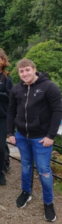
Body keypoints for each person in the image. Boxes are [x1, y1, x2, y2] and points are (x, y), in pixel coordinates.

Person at [6, 58, 62, 222]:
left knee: (44, 171)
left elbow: (57, 112)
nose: (25, 74)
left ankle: (48, 203)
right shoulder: (16, 89)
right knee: (25, 165)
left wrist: (50, 136)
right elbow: (11, 112)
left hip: (41, 138)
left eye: (27, 70)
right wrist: (10, 132)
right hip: (22, 136)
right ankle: (26, 192)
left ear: (34, 69)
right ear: (18, 73)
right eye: (21, 71)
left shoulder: (49, 87)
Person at [0, 49, 13, 185]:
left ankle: (1, 172)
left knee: (0, 147)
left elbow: (11, 97)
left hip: (2, 117)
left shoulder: (6, 78)